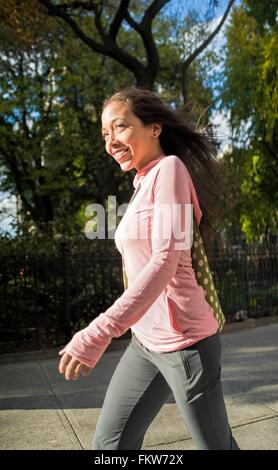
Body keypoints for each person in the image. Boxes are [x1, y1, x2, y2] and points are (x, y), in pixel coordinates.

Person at [58, 87, 240, 450]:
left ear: (154, 128)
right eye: (105, 134)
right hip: (144, 344)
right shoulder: (141, 185)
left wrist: (99, 332)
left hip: (186, 345)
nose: (111, 141)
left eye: (120, 127)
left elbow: (164, 261)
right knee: (110, 447)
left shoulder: (170, 170)